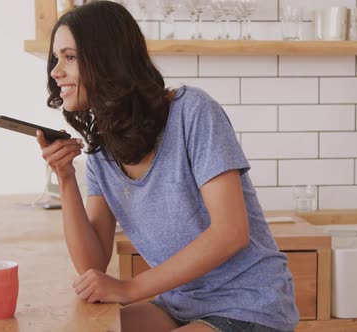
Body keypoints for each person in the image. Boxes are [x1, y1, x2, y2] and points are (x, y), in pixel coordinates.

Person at [36, 1, 299, 331]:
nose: (55, 71)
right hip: (179, 304)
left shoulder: (193, 112)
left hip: (248, 303)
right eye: (55, 58)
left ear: (108, 59)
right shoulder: (101, 152)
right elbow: (93, 264)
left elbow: (231, 233)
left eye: (70, 57)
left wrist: (130, 288)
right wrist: (65, 178)